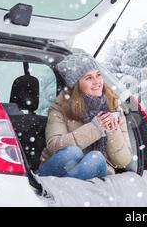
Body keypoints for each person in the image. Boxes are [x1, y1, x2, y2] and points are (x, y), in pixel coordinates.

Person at [36, 49, 132, 180]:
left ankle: (62, 191)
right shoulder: (60, 109)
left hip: (94, 168)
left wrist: (112, 130)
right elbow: (54, 146)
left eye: (98, 75)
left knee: (96, 158)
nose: (97, 81)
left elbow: (123, 161)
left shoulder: (114, 108)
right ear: (76, 85)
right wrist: (95, 128)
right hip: (55, 170)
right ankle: (65, 190)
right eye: (89, 78)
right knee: (73, 152)